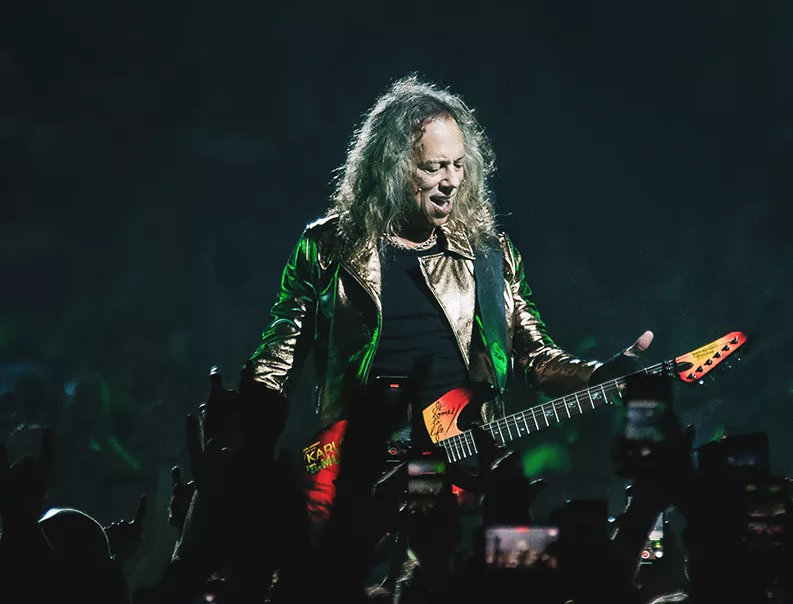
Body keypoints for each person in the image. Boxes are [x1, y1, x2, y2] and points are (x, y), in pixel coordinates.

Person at [247, 75, 650, 442]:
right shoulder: (327, 247)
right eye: (433, 167)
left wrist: (599, 374)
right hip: (356, 468)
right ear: (392, 169)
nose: (451, 181)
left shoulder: (489, 255)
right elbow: (279, 358)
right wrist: (245, 423)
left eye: (458, 165)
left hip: (462, 468)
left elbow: (534, 356)